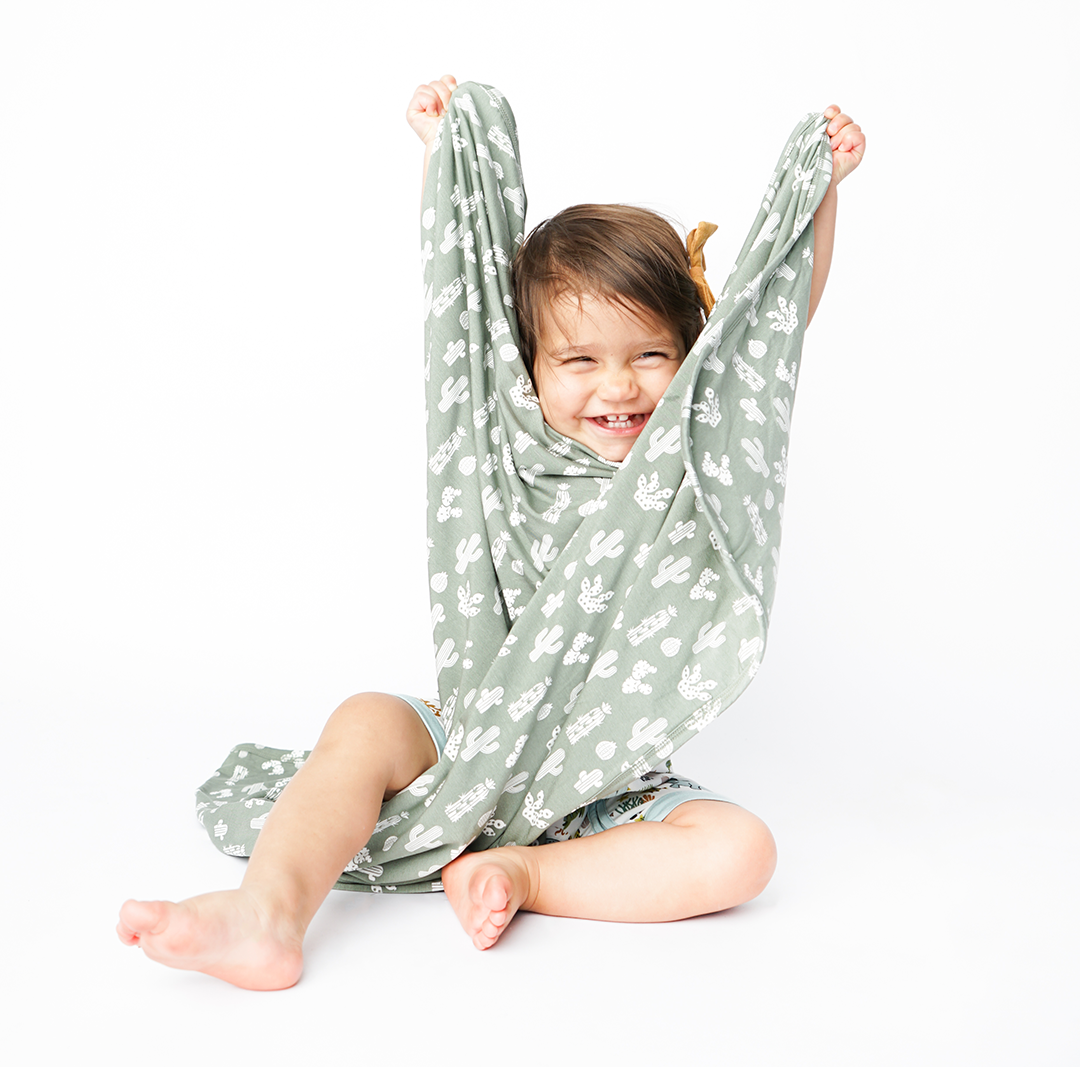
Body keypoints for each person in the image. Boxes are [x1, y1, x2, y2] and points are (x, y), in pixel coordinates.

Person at [117, 75, 865, 989]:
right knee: (366, 720)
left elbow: (770, 331)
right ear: (531, 366)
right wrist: (445, 158)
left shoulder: (692, 458)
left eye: (651, 357)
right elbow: (461, 305)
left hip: (610, 780)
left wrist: (818, 190)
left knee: (742, 851)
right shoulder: (502, 443)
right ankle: (267, 913)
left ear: (690, 353)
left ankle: (523, 871)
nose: (617, 388)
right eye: (580, 360)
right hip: (467, 735)